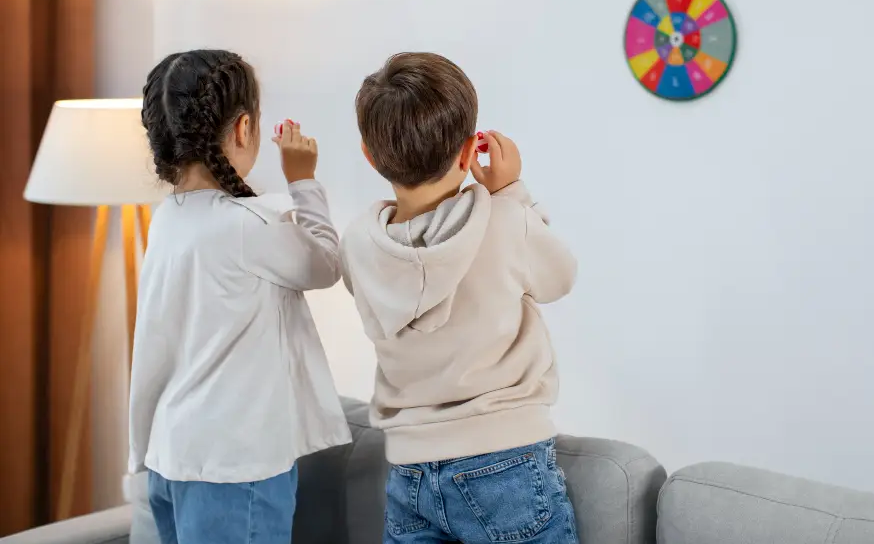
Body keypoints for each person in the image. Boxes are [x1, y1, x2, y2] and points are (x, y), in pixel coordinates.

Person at [339, 52, 579, 543]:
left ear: (368, 154)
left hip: (409, 473)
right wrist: (512, 190)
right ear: (471, 151)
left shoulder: (358, 245)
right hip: (505, 461)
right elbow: (560, 277)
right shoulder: (504, 221)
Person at [128, 50, 351, 544]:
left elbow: (152, 348)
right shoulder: (249, 227)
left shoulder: (167, 221)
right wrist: (303, 180)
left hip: (171, 458)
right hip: (234, 469)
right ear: (245, 128)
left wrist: (137, 453)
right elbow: (326, 264)